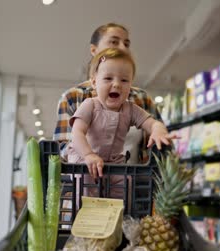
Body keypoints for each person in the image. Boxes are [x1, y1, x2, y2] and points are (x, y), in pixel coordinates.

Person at [66, 48, 174, 197]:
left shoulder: (131, 109)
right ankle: (84, 215)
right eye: (108, 78)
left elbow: (152, 123)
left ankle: (120, 215)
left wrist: (158, 130)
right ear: (94, 82)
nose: (117, 84)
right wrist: (88, 155)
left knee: (126, 183)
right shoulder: (89, 104)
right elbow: (77, 133)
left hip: (114, 162)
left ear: (131, 85)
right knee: (85, 182)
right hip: (83, 157)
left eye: (124, 80)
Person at [53, 22, 162, 164]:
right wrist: (88, 155)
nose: (123, 48)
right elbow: (62, 148)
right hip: (86, 175)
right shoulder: (73, 98)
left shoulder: (142, 99)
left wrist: (158, 130)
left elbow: (158, 142)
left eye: (126, 44)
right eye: (114, 42)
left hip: (130, 180)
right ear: (94, 50)